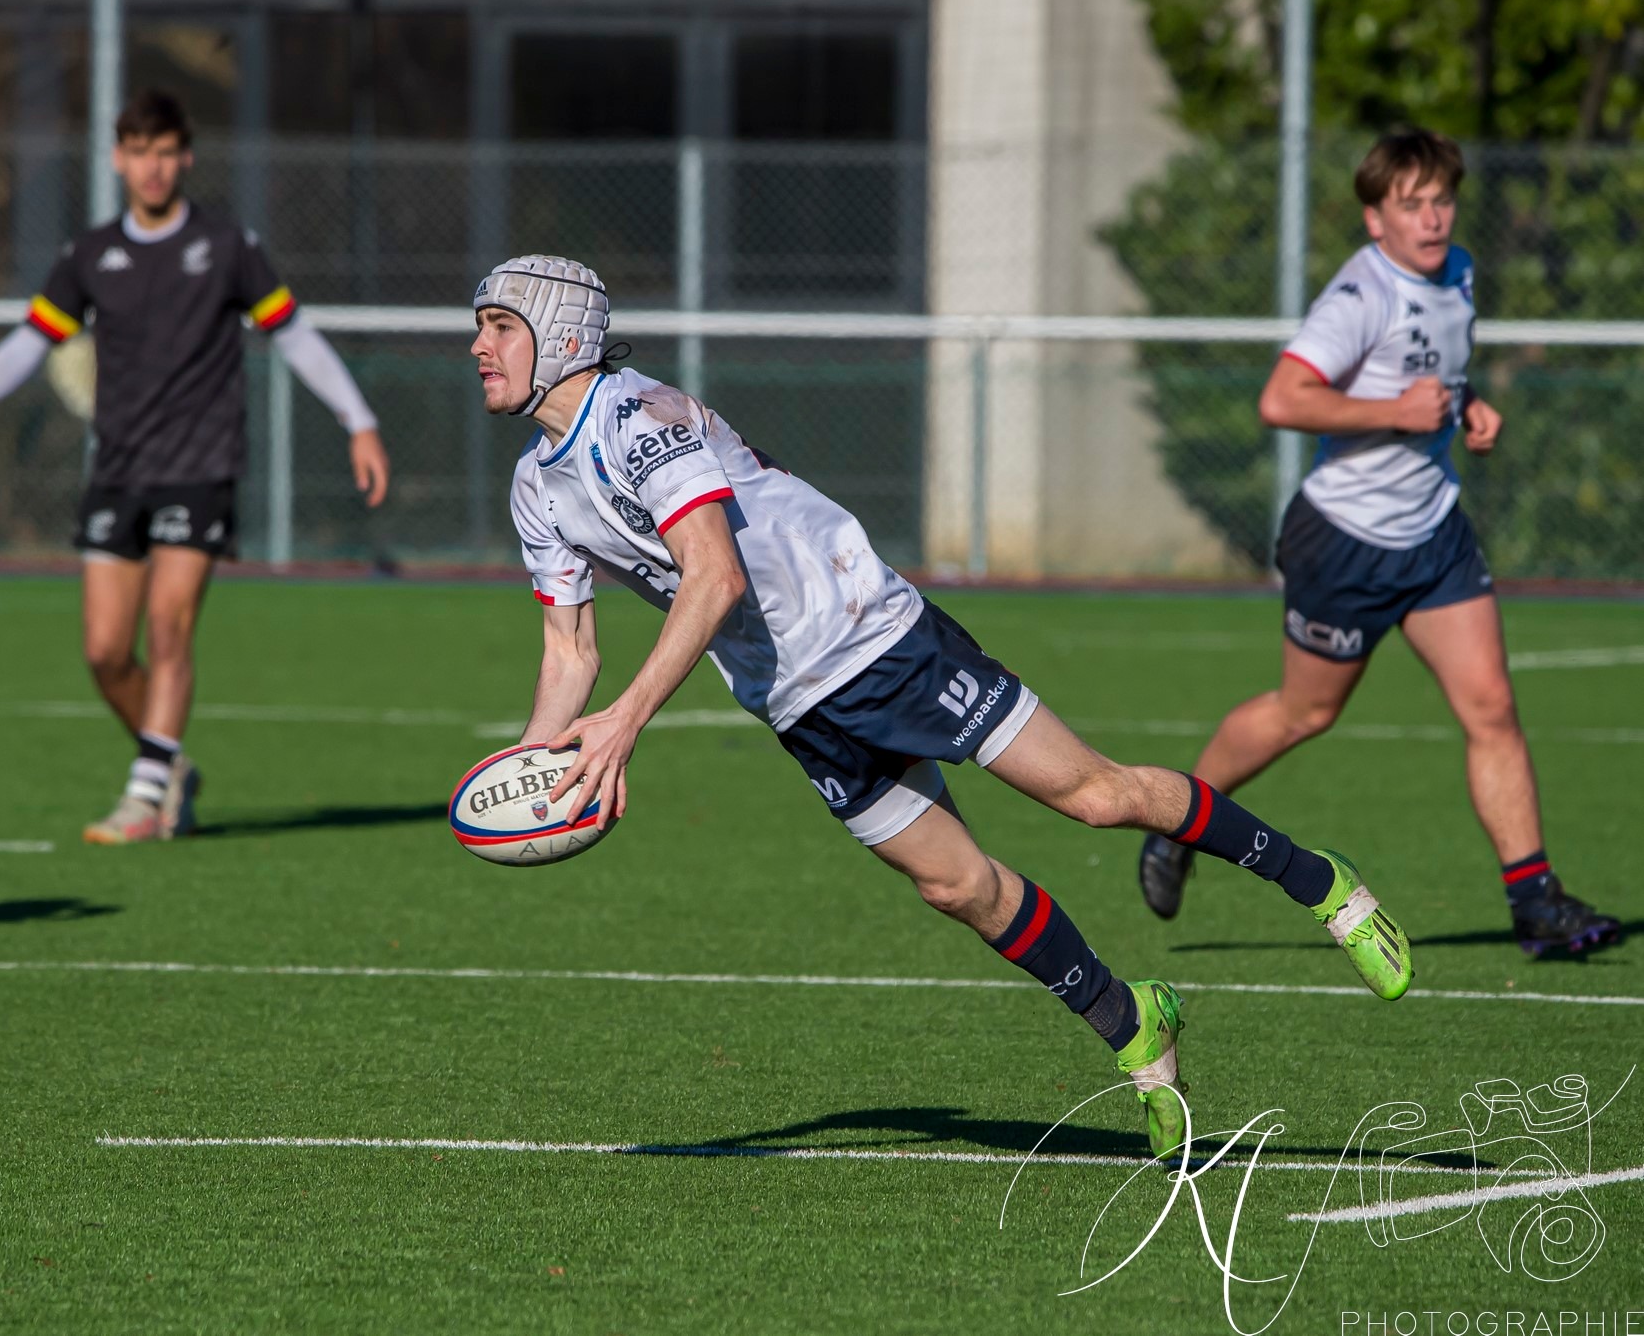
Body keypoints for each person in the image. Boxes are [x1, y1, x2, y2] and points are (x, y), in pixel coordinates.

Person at [472, 255, 1414, 1158]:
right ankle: (1136, 1026)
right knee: (956, 886)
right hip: (793, 700)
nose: (479, 347)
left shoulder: (637, 418)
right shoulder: (535, 486)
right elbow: (569, 647)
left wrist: (629, 721)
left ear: (561, 337)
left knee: (1096, 796)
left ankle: (1321, 884)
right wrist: (538, 770)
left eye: (500, 327)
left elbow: (711, 576)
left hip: (877, 639)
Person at [1136, 128, 1621, 959]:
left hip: (1434, 532)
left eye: (1441, 201)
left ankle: (1537, 903)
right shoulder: (1360, 299)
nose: (1432, 220)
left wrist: (1467, 410)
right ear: (1375, 219)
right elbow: (1282, 400)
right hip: (1345, 544)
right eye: (1412, 205)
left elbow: (1438, 371)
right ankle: (1182, 820)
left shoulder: (1459, 271)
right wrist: (1393, 414)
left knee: (1492, 708)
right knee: (1304, 713)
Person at [0, 91, 391, 844]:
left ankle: (143, 796)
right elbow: (29, 342)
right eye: (139, 152)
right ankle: (171, 767)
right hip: (119, 471)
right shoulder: (92, 255)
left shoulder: (228, 245)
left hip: (200, 465)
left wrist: (358, 421)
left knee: (169, 627)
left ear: (185, 158)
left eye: (166, 152)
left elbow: (296, 338)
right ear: (117, 160)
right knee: (104, 652)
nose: (154, 167)